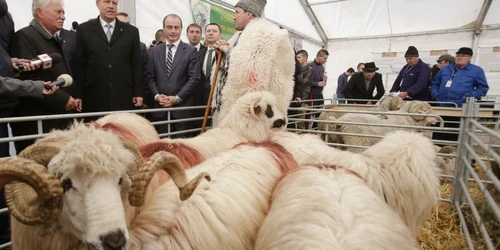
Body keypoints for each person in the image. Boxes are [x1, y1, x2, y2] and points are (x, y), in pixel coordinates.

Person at [9, 0, 79, 153]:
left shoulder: (53, 39)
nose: (63, 17)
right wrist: (64, 99)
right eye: (58, 12)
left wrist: (73, 97)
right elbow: (29, 79)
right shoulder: (24, 37)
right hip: (37, 123)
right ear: (39, 12)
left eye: (63, 12)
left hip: (57, 119)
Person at [211, 0, 295, 126]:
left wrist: (229, 52)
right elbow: (229, 70)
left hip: (252, 115)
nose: (234, 17)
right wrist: (221, 54)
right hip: (228, 110)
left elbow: (251, 72)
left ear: (249, 14)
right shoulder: (238, 37)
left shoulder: (268, 36)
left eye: (237, 12)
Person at [72, 0, 143, 117]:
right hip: (94, 94)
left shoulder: (131, 31)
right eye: (106, 2)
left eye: (114, 3)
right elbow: (79, 65)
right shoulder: (84, 29)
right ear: (97, 4)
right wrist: (78, 95)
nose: (111, 6)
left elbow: (136, 64)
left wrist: (138, 92)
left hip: (123, 93)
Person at [147, 14, 200, 135]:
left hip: (182, 112)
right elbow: (150, 77)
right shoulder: (155, 51)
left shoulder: (191, 51)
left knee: (181, 150)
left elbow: (194, 78)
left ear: (181, 29)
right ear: (164, 28)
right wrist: (157, 96)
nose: (173, 31)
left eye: (176, 27)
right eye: (169, 27)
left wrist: (176, 98)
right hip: (160, 110)